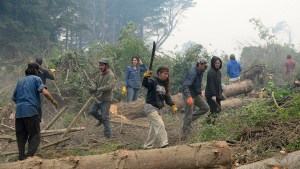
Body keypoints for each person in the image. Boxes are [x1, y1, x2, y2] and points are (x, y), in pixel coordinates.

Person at [12, 62, 58, 160]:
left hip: (19, 113)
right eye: (38, 71)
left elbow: (14, 98)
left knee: (21, 136)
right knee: (35, 135)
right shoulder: (37, 79)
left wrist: (22, 104)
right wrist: (53, 101)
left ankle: (21, 157)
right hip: (31, 111)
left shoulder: (20, 81)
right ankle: (29, 158)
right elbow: (44, 92)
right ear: (36, 71)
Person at [142, 66, 178, 149]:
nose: (166, 76)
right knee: (160, 125)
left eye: (167, 74)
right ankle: (164, 144)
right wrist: (146, 76)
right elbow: (145, 84)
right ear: (159, 73)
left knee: (153, 130)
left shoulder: (165, 84)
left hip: (158, 109)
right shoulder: (153, 81)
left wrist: (173, 105)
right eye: (165, 74)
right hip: (150, 107)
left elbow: (167, 98)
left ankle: (147, 146)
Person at [182, 57, 210, 140]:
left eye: (206, 66)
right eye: (204, 66)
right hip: (189, 95)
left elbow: (197, 84)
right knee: (188, 115)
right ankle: (185, 136)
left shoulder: (200, 71)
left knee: (205, 108)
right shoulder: (192, 72)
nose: (205, 68)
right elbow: (186, 85)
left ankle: (187, 121)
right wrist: (189, 97)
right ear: (200, 65)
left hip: (195, 94)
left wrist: (199, 92)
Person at [88, 58, 115, 139]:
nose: (100, 67)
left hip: (106, 99)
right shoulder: (99, 74)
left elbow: (109, 87)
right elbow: (95, 83)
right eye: (99, 65)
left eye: (102, 65)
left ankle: (107, 135)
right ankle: (101, 120)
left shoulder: (111, 75)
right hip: (98, 98)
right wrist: (93, 88)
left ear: (106, 66)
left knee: (105, 117)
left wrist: (98, 89)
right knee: (91, 111)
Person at [205, 56, 223, 123]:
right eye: (216, 63)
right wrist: (213, 95)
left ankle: (212, 123)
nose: (218, 64)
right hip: (210, 95)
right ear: (213, 63)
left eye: (219, 63)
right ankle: (209, 123)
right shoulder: (211, 72)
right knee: (213, 110)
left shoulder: (219, 72)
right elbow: (211, 84)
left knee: (218, 109)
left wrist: (220, 92)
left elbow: (219, 84)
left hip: (217, 94)